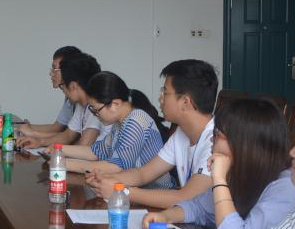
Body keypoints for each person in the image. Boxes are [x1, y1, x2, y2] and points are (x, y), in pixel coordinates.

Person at [144, 98, 295, 229]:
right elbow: (199, 208)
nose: (211, 140)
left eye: (217, 135)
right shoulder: (240, 173)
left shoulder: (286, 186)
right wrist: (166, 216)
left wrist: (220, 180)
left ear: (244, 144)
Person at [86, 59, 217, 209]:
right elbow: (143, 174)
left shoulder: (215, 141)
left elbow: (184, 197)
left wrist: (123, 191)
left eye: (165, 92)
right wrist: (105, 178)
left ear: (185, 102)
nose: (160, 98)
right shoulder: (181, 134)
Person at [60, 71, 171, 186]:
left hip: (155, 192)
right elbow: (97, 151)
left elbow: (117, 167)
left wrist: (65, 163)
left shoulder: (136, 121)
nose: (95, 115)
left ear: (115, 104)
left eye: (96, 110)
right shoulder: (119, 123)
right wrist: (58, 149)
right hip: (134, 190)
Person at [16, 46, 88, 148]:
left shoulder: (90, 103)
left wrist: (33, 134)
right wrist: (31, 131)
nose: (51, 74)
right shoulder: (75, 100)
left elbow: (77, 142)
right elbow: (65, 133)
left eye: (55, 69)